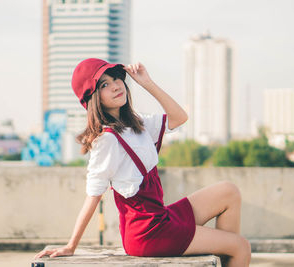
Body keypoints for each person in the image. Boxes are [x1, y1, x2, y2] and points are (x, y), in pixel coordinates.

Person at [33, 58, 251, 266]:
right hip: (148, 233)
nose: (116, 85)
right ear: (93, 98)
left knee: (229, 192)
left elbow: (180, 118)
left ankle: (226, 252)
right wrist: (71, 246)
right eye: (104, 85)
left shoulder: (136, 123)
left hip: (161, 218)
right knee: (240, 246)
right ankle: (229, 250)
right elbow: (93, 195)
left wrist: (147, 83)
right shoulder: (107, 140)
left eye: (117, 78)